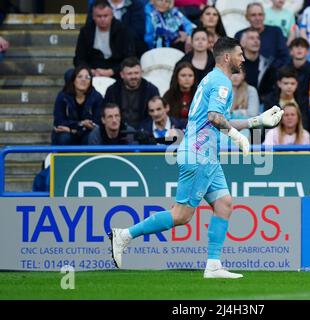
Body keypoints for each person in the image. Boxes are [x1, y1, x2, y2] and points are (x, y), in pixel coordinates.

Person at [109, 36, 284, 279]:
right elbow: (214, 117)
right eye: (239, 54)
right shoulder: (222, 83)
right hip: (199, 155)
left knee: (224, 204)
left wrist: (257, 121)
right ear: (227, 57)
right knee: (181, 215)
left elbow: (215, 119)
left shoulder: (211, 79)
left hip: (206, 154)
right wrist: (237, 137)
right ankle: (124, 235)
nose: (243, 59)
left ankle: (213, 266)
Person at [74, 0, 136, 78]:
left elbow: (129, 57)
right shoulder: (86, 31)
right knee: (69, 74)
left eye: (105, 16)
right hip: (92, 70)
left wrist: (111, 71)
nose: (102, 19)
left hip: (116, 71)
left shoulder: (123, 31)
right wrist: (89, 70)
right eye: (99, 16)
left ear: (112, 15)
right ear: (93, 16)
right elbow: (79, 58)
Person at [104, 57, 160, 130]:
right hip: (118, 131)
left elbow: (157, 114)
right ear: (122, 75)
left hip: (145, 131)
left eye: (136, 73)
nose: (133, 77)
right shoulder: (112, 90)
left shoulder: (151, 90)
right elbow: (105, 114)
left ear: (141, 73)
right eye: (129, 74)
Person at [52, 66, 103, 145]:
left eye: (87, 77)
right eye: (80, 77)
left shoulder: (97, 97)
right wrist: (81, 124)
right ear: (73, 80)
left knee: (92, 136)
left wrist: (72, 130)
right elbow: (59, 122)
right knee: (64, 137)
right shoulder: (63, 96)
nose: (84, 80)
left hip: (85, 133)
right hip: (68, 133)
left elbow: (96, 124)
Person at [235, 2, 291, 68]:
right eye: (253, 15)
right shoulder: (240, 35)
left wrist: (270, 71)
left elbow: (285, 57)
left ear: (264, 16)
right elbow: (235, 58)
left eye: (260, 15)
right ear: (247, 17)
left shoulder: (276, 32)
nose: (257, 18)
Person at [288, 37, 310, 132]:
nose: (299, 49)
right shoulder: (283, 68)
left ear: (307, 52)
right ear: (290, 51)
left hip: (307, 105)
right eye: (296, 47)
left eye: (302, 47)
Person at [240, 28, 277, 101]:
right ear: (242, 43)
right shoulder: (236, 64)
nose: (256, 41)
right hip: (239, 103)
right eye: (251, 38)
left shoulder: (268, 65)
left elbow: (270, 91)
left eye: (258, 38)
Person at [163, 61, 197, 127]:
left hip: (196, 130)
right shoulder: (169, 95)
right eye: (183, 75)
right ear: (177, 77)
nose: (187, 79)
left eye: (190, 75)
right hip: (173, 130)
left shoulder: (200, 95)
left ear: (194, 78)